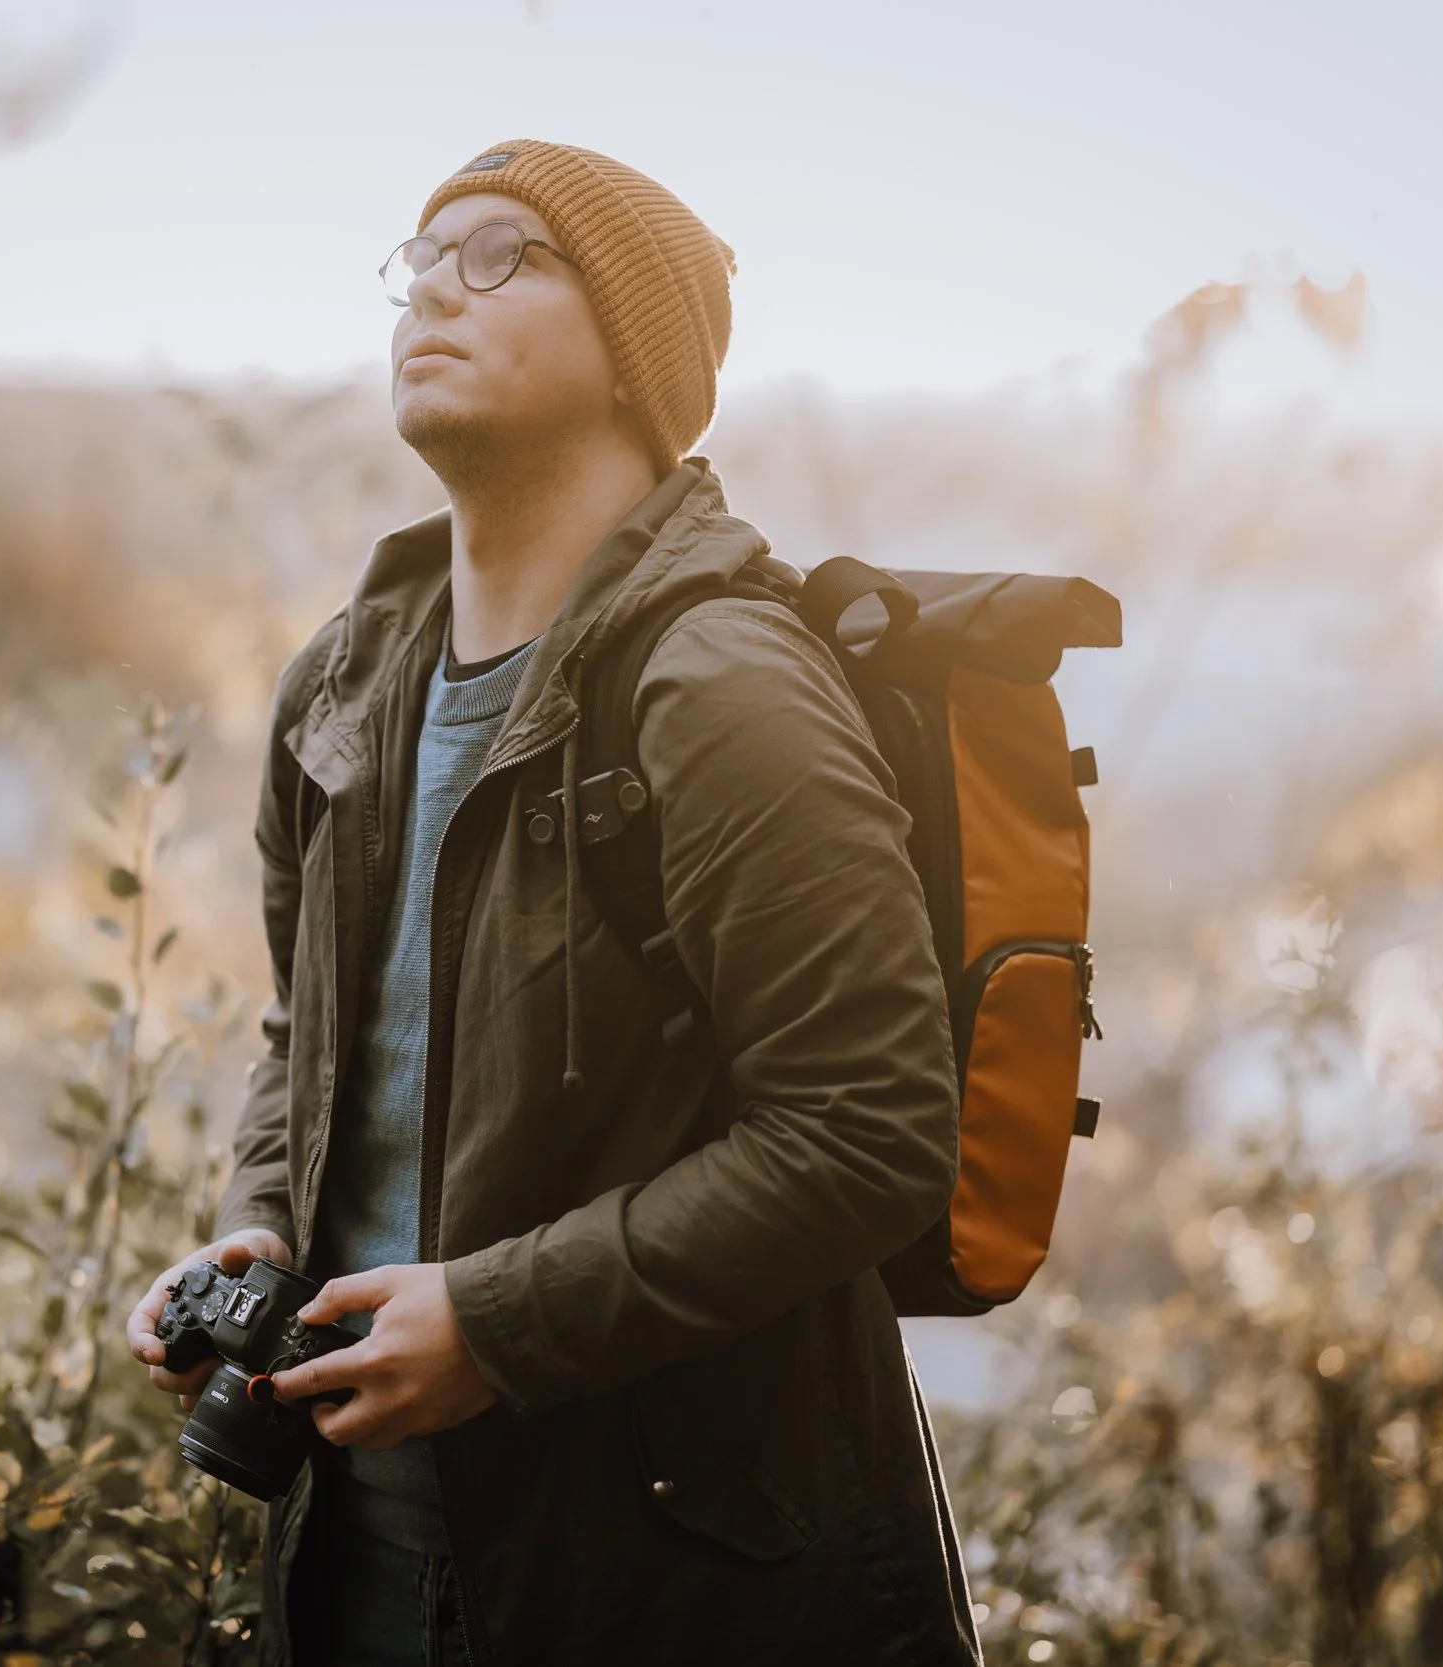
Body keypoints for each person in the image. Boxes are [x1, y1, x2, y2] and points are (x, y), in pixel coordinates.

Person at [128, 138, 978, 1667]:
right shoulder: (343, 684)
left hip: (674, 1585)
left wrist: (499, 1329)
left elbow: (870, 1127)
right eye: (419, 258)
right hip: (349, 1562)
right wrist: (259, 1222)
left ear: (633, 358)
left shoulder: (719, 686)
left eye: (503, 254)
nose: (432, 291)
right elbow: (304, 1036)